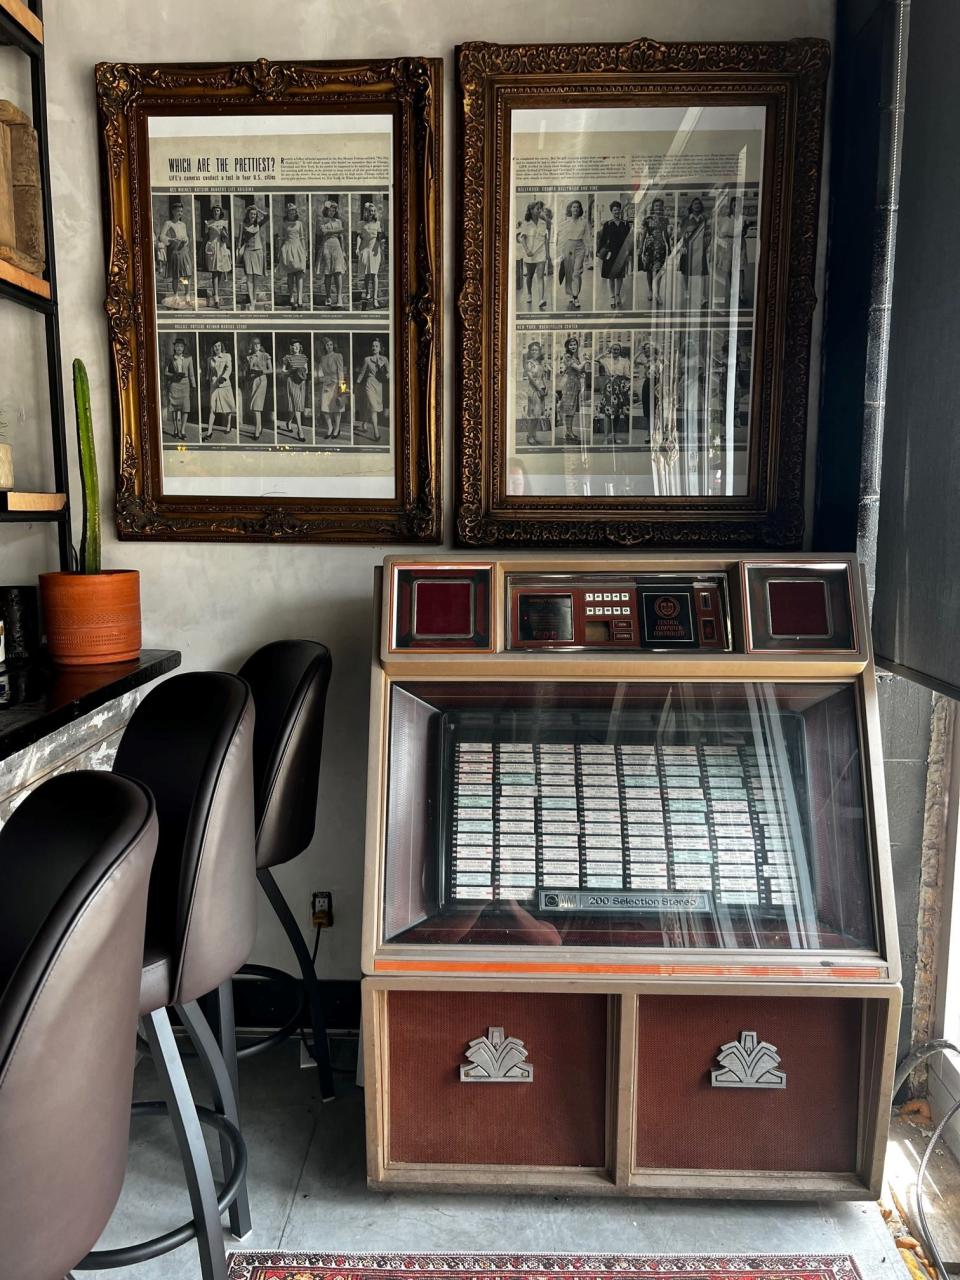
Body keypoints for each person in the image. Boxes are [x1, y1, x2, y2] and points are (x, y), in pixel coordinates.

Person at [156, 198, 192, 307]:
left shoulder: (183, 225)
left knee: (186, 275)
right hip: (174, 251)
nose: (180, 213)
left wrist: (186, 240)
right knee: (176, 276)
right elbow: (161, 237)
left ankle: (187, 295)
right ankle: (176, 295)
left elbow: (186, 237)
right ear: (173, 211)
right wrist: (171, 240)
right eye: (178, 211)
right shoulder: (168, 223)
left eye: (181, 211)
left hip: (183, 251)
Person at [596, 199, 632, 309]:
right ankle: (612, 296)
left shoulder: (625, 224)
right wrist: (599, 252)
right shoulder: (607, 224)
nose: (617, 212)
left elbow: (628, 240)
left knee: (620, 276)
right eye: (614, 210)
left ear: (620, 211)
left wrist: (628, 254)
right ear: (612, 211)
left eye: (618, 210)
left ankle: (617, 295)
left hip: (621, 253)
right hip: (610, 253)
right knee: (610, 276)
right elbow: (602, 240)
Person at [638, 196, 672, 308]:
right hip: (649, 246)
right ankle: (650, 290)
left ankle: (657, 293)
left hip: (661, 247)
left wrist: (669, 247)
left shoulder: (665, 220)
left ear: (662, 207)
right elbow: (643, 235)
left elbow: (666, 235)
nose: (658, 207)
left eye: (660, 206)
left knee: (658, 270)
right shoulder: (647, 219)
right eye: (656, 205)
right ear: (653, 207)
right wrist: (641, 248)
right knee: (648, 270)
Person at [517, 200, 551, 310]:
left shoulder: (543, 223)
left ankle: (541, 299)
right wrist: (527, 250)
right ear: (531, 210)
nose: (540, 210)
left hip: (541, 252)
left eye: (541, 208)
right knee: (530, 276)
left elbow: (546, 239)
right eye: (537, 209)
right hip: (530, 254)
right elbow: (522, 238)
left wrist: (548, 254)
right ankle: (529, 294)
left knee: (540, 276)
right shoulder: (526, 223)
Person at [557, 198, 589, 311]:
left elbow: (587, 237)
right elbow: (561, 237)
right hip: (568, 247)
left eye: (577, 207)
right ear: (570, 209)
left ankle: (575, 296)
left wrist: (587, 251)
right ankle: (571, 294)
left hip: (580, 246)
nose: (576, 209)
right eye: (574, 207)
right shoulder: (566, 222)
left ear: (580, 209)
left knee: (576, 273)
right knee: (569, 273)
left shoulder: (584, 222)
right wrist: (561, 252)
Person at [678, 196, 710, 310]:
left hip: (700, 249)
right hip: (688, 248)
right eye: (694, 204)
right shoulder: (686, 219)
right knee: (686, 271)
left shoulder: (704, 219)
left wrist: (706, 246)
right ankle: (687, 291)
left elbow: (707, 234)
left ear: (701, 206)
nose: (697, 205)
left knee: (700, 272)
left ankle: (701, 296)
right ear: (691, 206)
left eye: (698, 204)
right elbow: (681, 235)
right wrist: (682, 247)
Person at [355, 337, 389, 442]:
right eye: (373, 346)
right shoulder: (367, 359)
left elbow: (389, 372)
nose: (374, 347)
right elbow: (362, 373)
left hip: (380, 386)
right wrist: (357, 384)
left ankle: (365, 422)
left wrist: (387, 375)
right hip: (369, 385)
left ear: (380, 348)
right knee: (373, 408)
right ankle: (376, 433)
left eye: (376, 346)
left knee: (371, 407)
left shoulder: (385, 359)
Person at [316, 197, 347, 309]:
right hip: (326, 246)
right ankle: (328, 296)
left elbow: (341, 236)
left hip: (337, 246)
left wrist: (343, 251)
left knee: (338, 272)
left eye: (334, 211)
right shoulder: (322, 220)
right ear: (326, 210)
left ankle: (339, 297)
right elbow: (324, 232)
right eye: (330, 210)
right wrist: (338, 231)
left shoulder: (338, 221)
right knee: (328, 273)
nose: (332, 212)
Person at [237, 202, 268, 310]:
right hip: (248, 251)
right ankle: (251, 302)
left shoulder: (258, 224)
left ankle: (254, 299)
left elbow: (267, 216)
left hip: (258, 251)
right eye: (251, 214)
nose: (253, 216)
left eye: (254, 214)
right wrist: (238, 250)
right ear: (248, 214)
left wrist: (258, 209)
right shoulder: (243, 224)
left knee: (256, 278)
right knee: (249, 277)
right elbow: (239, 240)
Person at [277, 198, 307, 310]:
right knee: (290, 275)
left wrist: (305, 251)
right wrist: (279, 252)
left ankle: (299, 298)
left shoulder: (299, 224)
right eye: (290, 211)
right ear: (287, 212)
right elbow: (282, 238)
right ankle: (291, 297)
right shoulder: (284, 224)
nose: (292, 213)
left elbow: (302, 238)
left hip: (298, 248)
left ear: (296, 212)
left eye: (293, 211)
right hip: (288, 249)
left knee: (299, 274)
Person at [241, 336, 272, 441]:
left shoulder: (265, 355)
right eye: (254, 344)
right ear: (252, 346)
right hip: (252, 382)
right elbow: (247, 370)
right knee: (254, 407)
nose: (256, 346)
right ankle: (259, 426)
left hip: (262, 381)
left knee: (256, 407)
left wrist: (261, 372)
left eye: (258, 344)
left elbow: (270, 370)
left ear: (260, 345)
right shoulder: (249, 357)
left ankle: (257, 430)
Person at [163, 337, 195, 440]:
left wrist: (193, 385)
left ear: (184, 348)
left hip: (185, 384)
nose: (179, 348)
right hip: (174, 384)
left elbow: (191, 374)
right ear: (174, 347)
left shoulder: (189, 358)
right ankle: (176, 430)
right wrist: (174, 375)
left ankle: (183, 430)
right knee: (174, 408)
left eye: (181, 346)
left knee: (185, 408)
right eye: (177, 346)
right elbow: (165, 372)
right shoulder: (170, 358)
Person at [202, 340, 235, 439]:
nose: (217, 348)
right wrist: (207, 381)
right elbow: (208, 373)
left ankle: (228, 425)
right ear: (212, 348)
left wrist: (224, 377)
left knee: (228, 407)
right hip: (214, 386)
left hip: (225, 385)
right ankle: (209, 432)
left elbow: (229, 369)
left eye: (219, 346)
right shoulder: (209, 359)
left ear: (221, 346)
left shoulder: (227, 356)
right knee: (212, 408)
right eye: (215, 346)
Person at [203, 203, 232, 309]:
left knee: (219, 271)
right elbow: (206, 235)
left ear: (221, 212)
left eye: (218, 210)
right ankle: (216, 297)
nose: (216, 212)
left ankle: (216, 293)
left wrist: (222, 232)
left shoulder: (224, 222)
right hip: (212, 247)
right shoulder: (208, 222)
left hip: (222, 247)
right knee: (214, 272)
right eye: (215, 210)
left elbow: (226, 237)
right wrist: (208, 227)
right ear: (212, 212)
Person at [355, 201, 383, 310]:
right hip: (365, 248)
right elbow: (359, 237)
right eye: (369, 211)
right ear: (366, 212)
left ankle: (375, 299)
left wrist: (380, 244)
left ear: (374, 212)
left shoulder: (378, 223)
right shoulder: (361, 223)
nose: (371, 213)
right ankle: (367, 293)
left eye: (373, 211)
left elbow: (380, 237)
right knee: (367, 274)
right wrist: (357, 248)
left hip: (375, 248)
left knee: (374, 274)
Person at [317, 335, 346, 439]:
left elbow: (341, 372)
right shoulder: (322, 358)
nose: (329, 346)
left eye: (331, 344)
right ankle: (330, 428)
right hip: (326, 385)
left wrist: (342, 389)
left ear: (333, 346)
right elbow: (320, 373)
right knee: (325, 409)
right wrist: (323, 379)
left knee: (337, 408)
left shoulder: (338, 356)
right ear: (324, 347)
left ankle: (337, 429)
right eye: (327, 345)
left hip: (336, 385)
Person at [558, 339, 587, 442]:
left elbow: (581, 371)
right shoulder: (567, 356)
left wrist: (583, 369)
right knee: (569, 409)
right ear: (567, 346)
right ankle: (569, 432)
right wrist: (585, 361)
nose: (573, 346)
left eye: (575, 344)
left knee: (572, 409)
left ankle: (569, 432)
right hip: (569, 384)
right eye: (571, 345)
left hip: (575, 384)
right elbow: (578, 368)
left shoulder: (575, 357)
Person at [281, 339, 309, 441]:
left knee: (296, 406)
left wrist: (301, 372)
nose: (295, 347)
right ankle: (300, 431)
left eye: (297, 345)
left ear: (300, 346)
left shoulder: (304, 357)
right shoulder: (288, 357)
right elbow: (283, 371)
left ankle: (288, 421)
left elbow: (307, 370)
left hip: (301, 382)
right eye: (293, 346)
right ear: (291, 347)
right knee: (296, 405)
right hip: (292, 381)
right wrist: (290, 371)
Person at [522, 352, 549, 446]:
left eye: (537, 350)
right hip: (534, 390)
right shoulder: (529, 363)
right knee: (533, 414)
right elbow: (531, 378)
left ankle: (534, 436)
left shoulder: (540, 363)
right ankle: (529, 436)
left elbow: (543, 377)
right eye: (532, 349)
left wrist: (546, 387)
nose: (535, 352)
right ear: (530, 351)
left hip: (541, 389)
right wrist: (539, 389)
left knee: (537, 415)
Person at [599, 374, 630, 444]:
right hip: (610, 384)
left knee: (617, 413)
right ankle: (605, 438)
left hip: (620, 385)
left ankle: (614, 437)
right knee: (608, 413)